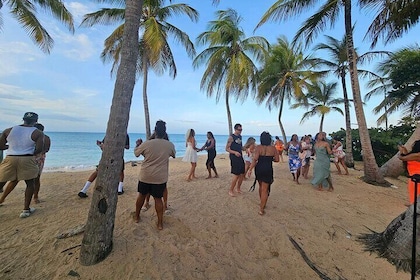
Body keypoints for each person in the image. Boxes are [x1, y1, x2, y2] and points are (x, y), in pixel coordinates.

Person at [0, 112, 44, 218]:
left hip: (10, 158)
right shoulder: (37, 133)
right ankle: (25, 209)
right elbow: (39, 149)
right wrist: (26, 151)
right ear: (36, 121)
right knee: (30, 183)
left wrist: (11, 148)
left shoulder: (8, 130)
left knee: (1, 182)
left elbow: (0, 145)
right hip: (27, 158)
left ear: (23, 119)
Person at [134, 120, 176, 230]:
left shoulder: (147, 143)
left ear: (155, 131)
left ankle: (137, 216)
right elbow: (173, 155)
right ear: (165, 132)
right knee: (158, 199)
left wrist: (138, 145)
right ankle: (160, 223)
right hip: (159, 177)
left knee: (141, 196)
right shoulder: (169, 145)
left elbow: (136, 153)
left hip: (145, 175)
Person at [0, 123, 51, 204]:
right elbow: (46, 149)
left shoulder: (35, 136)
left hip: (28, 158)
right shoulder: (45, 137)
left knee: (15, 180)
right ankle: (35, 198)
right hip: (37, 158)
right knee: (35, 179)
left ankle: (3, 198)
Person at [247, 131, 279, 215]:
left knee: (261, 186)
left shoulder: (258, 147)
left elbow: (255, 159)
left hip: (259, 168)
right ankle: (262, 208)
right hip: (268, 168)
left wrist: (250, 170)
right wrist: (270, 159)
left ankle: (262, 202)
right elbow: (277, 159)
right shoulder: (273, 148)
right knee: (265, 189)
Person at [398, 140, 420, 205]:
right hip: (414, 178)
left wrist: (400, 151)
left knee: (415, 199)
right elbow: (408, 157)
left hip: (416, 179)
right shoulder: (415, 155)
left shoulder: (418, 155)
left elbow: (402, 158)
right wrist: (404, 150)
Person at [226, 123, 245, 196]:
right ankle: (231, 190)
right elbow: (227, 149)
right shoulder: (231, 137)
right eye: (239, 130)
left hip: (240, 156)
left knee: (242, 173)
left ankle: (238, 188)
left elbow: (240, 146)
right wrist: (234, 152)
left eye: (241, 129)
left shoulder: (240, 137)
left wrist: (246, 149)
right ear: (235, 129)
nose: (240, 131)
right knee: (236, 174)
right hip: (234, 157)